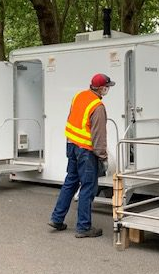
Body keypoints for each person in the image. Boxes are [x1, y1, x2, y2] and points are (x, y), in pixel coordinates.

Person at [49, 73, 114, 238]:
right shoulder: (97, 107)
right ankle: (83, 227)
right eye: (107, 87)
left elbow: (71, 118)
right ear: (101, 88)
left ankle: (57, 219)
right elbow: (99, 135)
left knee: (70, 182)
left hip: (71, 145)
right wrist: (103, 157)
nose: (108, 89)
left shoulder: (79, 95)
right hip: (86, 151)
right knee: (88, 187)